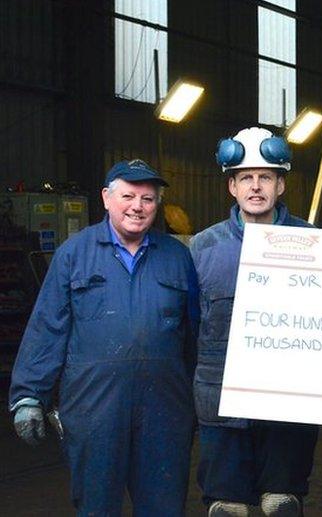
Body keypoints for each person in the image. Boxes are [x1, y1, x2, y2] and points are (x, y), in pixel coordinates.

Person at [9, 159, 198, 515]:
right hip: (94, 409)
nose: (137, 207)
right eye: (128, 196)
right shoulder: (73, 254)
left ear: (157, 205)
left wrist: (200, 393)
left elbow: (195, 333)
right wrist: (28, 396)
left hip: (164, 411)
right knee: (96, 506)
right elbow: (49, 326)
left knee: (165, 506)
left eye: (148, 199)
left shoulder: (177, 257)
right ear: (106, 198)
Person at [190, 127, 319, 517]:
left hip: (287, 405)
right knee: (226, 509)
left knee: (282, 506)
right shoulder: (203, 247)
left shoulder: (314, 244)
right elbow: (186, 329)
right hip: (221, 406)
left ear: (281, 184)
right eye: (246, 177)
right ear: (232, 186)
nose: (256, 186)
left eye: (266, 177)